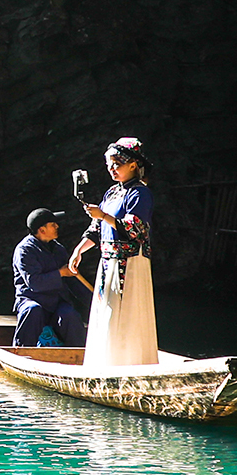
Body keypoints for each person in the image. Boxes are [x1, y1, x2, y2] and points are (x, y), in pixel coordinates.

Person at [78, 137, 158, 368]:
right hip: (108, 261)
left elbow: (135, 228)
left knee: (128, 312)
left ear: (133, 164)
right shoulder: (112, 193)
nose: (112, 169)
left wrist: (102, 216)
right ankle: (106, 361)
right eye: (109, 165)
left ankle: (129, 363)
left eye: (117, 164)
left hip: (131, 262)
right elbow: (97, 229)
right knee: (107, 310)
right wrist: (79, 251)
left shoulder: (140, 194)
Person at [10, 209, 86, 348]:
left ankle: (78, 355)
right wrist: (61, 273)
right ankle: (22, 352)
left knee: (70, 314)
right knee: (33, 310)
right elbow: (35, 283)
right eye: (53, 224)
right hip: (31, 299)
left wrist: (95, 300)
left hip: (57, 302)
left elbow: (72, 281)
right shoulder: (25, 250)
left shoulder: (59, 249)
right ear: (42, 230)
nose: (57, 226)